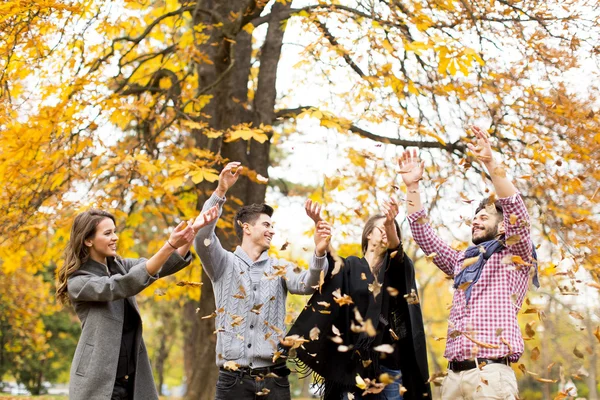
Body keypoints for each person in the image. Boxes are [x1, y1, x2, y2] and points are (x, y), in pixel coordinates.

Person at [400, 126, 538, 399]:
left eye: (484, 217)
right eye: (475, 217)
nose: (475, 221)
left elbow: (516, 210)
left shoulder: (516, 256)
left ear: (502, 228)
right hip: (454, 377)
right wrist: (413, 187)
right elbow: (423, 235)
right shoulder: (463, 261)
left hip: (491, 376)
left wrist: (489, 162)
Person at [193, 161, 331, 400]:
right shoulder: (223, 263)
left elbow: (309, 284)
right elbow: (202, 235)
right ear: (246, 228)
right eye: (266, 224)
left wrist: (319, 253)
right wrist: (220, 191)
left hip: (274, 379)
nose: (272, 231)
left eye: (272, 226)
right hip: (232, 381)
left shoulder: (280, 268)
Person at [56, 208, 213, 400]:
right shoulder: (79, 282)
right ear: (88, 240)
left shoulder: (120, 266)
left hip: (132, 381)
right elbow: (120, 286)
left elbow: (160, 265)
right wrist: (169, 244)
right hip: (99, 382)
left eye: (114, 231)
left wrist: (191, 233)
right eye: (107, 233)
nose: (115, 237)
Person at [284, 199, 431, 400]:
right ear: (369, 234)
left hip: (389, 368)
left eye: (392, 228)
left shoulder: (397, 269)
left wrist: (390, 224)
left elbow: (398, 255)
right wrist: (321, 241)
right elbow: (328, 266)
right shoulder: (349, 267)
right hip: (352, 369)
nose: (387, 231)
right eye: (382, 228)